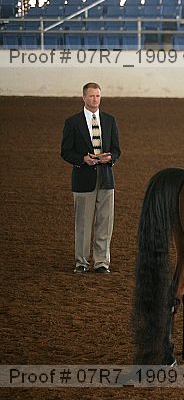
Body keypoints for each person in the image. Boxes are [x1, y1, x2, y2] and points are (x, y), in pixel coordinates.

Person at [60, 82, 121, 274]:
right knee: (83, 224)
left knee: (105, 223)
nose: (95, 99)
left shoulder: (110, 120)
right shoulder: (72, 122)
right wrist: (83, 159)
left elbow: (117, 149)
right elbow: (65, 151)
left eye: (98, 96)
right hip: (83, 179)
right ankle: (81, 262)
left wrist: (110, 157)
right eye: (91, 96)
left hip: (106, 178)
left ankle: (102, 262)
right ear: (84, 98)